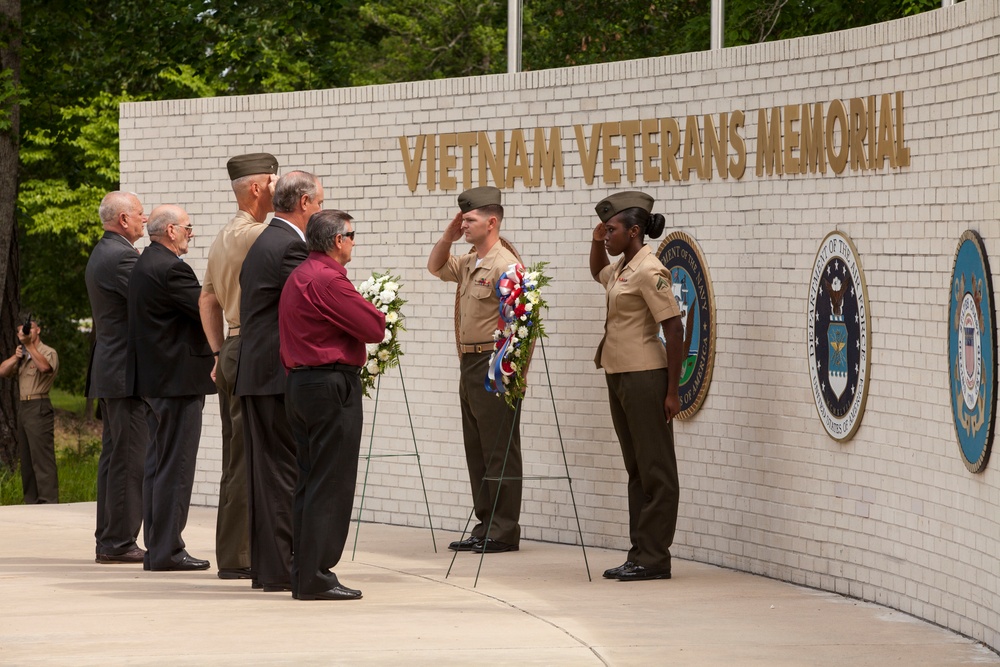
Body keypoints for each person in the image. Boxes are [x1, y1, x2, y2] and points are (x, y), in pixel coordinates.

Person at [279, 209, 385, 601]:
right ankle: (316, 575)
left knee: (310, 480)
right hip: (328, 385)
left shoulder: (301, 274)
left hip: (302, 384)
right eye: (352, 235)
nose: (355, 242)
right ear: (337, 241)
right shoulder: (328, 278)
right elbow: (374, 327)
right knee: (332, 481)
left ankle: (305, 571)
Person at [589, 191, 684, 582]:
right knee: (636, 469)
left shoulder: (649, 269)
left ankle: (655, 556)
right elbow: (598, 272)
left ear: (633, 231)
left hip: (646, 376)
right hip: (620, 374)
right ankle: (639, 552)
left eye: (611, 230)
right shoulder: (624, 266)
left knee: (656, 470)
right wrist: (596, 242)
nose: (606, 235)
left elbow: (674, 327)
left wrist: (673, 391)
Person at [235, 170, 321, 591]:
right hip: (274, 374)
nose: (320, 210)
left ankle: (269, 569)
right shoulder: (290, 245)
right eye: (319, 203)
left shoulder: (266, 240)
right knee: (284, 473)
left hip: (258, 371)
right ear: (303, 203)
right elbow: (310, 302)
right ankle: (280, 568)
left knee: (267, 475)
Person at [427, 186, 523, 554]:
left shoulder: (506, 265)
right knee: (477, 448)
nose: (463, 224)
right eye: (462, 219)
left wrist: (515, 372)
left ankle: (503, 529)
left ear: (492, 222)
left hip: (494, 363)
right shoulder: (469, 262)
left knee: (500, 447)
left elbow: (522, 323)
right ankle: (485, 523)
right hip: (469, 362)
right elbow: (435, 265)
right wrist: (449, 236)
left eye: (469, 220)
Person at [199, 152, 279, 581]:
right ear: (256, 187)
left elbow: (207, 299)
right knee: (254, 456)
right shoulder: (262, 236)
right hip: (254, 349)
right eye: (273, 180)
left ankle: (233, 554)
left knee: (236, 456)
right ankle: (247, 555)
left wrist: (218, 353)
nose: (278, 186)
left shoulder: (222, 237)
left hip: (231, 347)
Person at [126, 205, 216, 572]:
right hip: (176, 382)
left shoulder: (146, 263)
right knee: (175, 466)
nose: (191, 234)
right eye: (188, 228)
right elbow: (204, 308)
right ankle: (167, 550)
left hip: (156, 381)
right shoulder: (171, 268)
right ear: (171, 231)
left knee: (159, 466)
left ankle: (159, 547)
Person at [86, 191, 149, 564]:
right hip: (124, 372)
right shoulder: (122, 256)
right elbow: (150, 301)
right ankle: (118, 542)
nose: (144, 220)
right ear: (123, 220)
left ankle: (109, 537)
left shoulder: (104, 251)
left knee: (114, 458)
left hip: (111, 369)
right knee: (128, 459)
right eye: (140, 214)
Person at [0, 317, 59, 504]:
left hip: (39, 405)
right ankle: (31, 501)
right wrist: (16, 356)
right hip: (23, 408)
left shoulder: (47, 352)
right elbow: (2, 371)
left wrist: (30, 347)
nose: (26, 334)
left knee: (42, 457)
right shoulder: (22, 354)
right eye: (22, 332)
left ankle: (48, 501)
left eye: (29, 330)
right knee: (26, 459)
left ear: (38, 330)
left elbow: (44, 367)